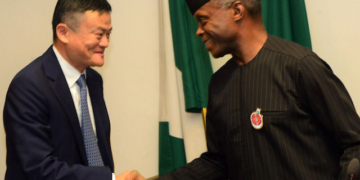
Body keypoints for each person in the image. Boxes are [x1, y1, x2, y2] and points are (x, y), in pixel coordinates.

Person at [158, 0, 360, 179]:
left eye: (203, 20)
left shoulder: (299, 66)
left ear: (237, 10)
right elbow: (217, 163)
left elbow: (354, 145)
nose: (198, 31)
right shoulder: (218, 85)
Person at [3, 0, 144, 180]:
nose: (106, 43)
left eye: (108, 34)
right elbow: (39, 169)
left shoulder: (93, 80)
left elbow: (98, 154)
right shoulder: (28, 86)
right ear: (63, 33)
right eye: (99, 34)